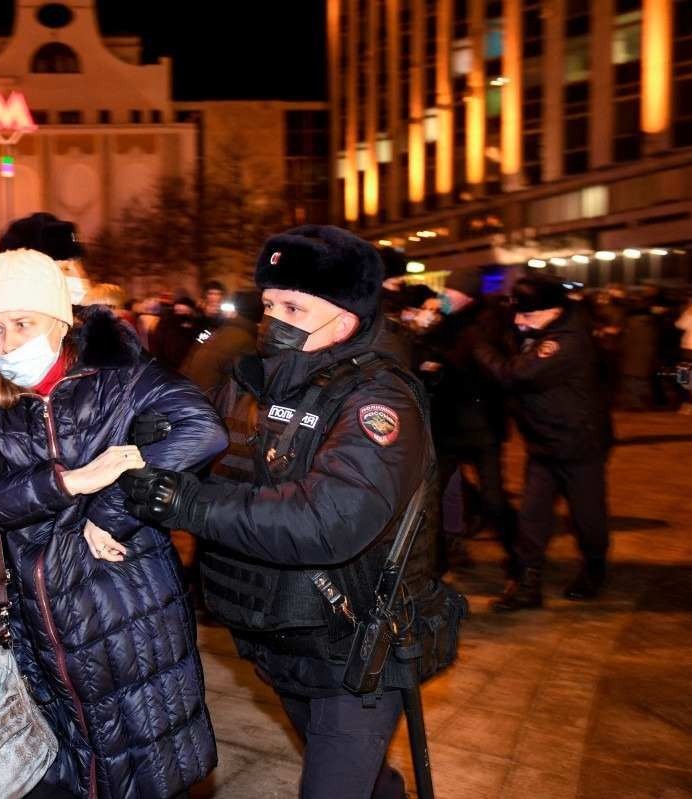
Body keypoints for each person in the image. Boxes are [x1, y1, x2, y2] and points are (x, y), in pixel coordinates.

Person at [123, 225, 464, 799]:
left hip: (355, 647)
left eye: (294, 306)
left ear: (346, 317)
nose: (273, 318)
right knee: (360, 778)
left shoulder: (378, 401)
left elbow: (325, 520)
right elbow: (218, 458)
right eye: (271, 303)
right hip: (282, 634)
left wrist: (189, 504)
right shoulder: (257, 381)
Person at [0, 248, 225, 799]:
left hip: (127, 607)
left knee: (147, 766)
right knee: (71, 769)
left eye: (22, 324)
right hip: (40, 623)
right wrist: (69, 483)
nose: (6, 344)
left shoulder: (119, 379)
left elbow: (203, 430)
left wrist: (111, 510)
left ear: (61, 319)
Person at [474, 276, 613, 610]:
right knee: (532, 516)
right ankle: (527, 584)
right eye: (518, 314)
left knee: (586, 515)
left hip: (580, 443)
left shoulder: (568, 341)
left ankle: (594, 568)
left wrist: (480, 348)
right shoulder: (537, 330)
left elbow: (517, 375)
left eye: (529, 316)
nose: (520, 322)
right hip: (542, 442)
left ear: (555, 311)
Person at [418, 269, 514, 574]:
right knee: (432, 499)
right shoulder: (445, 325)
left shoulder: (482, 328)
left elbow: (497, 372)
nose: (442, 296)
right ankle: (437, 565)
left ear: (466, 298)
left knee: (494, 499)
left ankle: (521, 557)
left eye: (450, 292)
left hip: (481, 429)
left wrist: (440, 364)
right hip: (448, 428)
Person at [181, 290, 264, 401]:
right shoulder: (248, 342)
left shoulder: (215, 331)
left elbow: (189, 360)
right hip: (211, 408)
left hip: (189, 400)